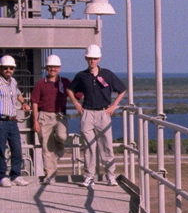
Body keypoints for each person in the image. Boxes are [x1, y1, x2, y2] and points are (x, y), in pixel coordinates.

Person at [67, 44, 126, 187]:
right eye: (90, 58)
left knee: (106, 146)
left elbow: (122, 89)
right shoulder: (81, 76)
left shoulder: (107, 74)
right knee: (89, 147)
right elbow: (70, 89)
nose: (92, 61)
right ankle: (89, 176)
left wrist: (114, 106)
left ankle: (110, 176)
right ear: (86, 59)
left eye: (94, 58)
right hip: (87, 113)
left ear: (99, 58)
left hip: (103, 113)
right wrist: (76, 104)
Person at [31, 54, 70, 184]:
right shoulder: (40, 83)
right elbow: (35, 102)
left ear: (59, 68)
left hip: (60, 115)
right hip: (44, 116)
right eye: (50, 67)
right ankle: (50, 175)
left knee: (62, 135)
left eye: (55, 67)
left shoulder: (65, 82)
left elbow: (77, 93)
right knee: (47, 147)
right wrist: (35, 120)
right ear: (46, 68)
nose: (53, 69)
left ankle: (60, 147)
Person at [0, 54, 31, 188]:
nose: (8, 70)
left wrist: (23, 103)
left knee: (17, 149)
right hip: (1, 120)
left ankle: (16, 175)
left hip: (13, 121)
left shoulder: (13, 81)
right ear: (1, 68)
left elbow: (17, 93)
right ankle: (2, 176)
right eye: (5, 68)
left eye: (11, 68)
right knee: (1, 150)